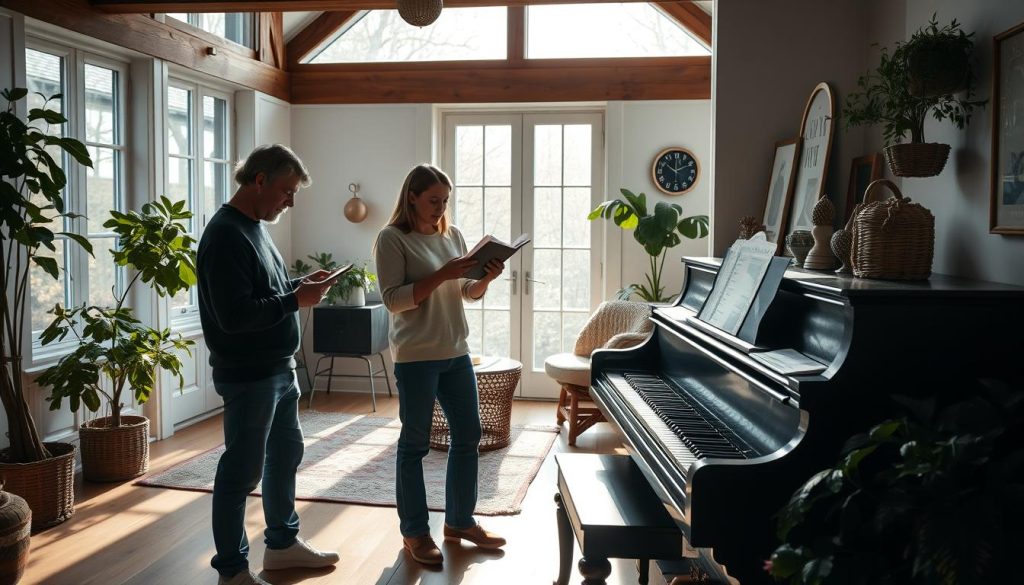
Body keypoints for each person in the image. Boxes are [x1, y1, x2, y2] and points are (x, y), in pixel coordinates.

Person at [198, 144, 341, 585]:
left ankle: (281, 545)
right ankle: (233, 570)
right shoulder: (225, 234)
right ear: (259, 180)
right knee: (241, 470)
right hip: (249, 375)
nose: (290, 201)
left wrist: (299, 284)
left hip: (279, 370)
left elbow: (267, 291)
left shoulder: (256, 227)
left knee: (285, 457)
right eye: (287, 190)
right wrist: (295, 299)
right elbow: (235, 315)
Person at [373, 163, 507, 566]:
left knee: (468, 435)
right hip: (416, 356)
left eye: (445, 200)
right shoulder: (391, 239)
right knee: (414, 444)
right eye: (433, 200)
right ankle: (414, 532)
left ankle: (460, 522)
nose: (440, 207)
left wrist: (484, 279)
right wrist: (441, 273)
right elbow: (393, 299)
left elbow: (465, 290)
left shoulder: (453, 235)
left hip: (456, 350)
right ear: (411, 196)